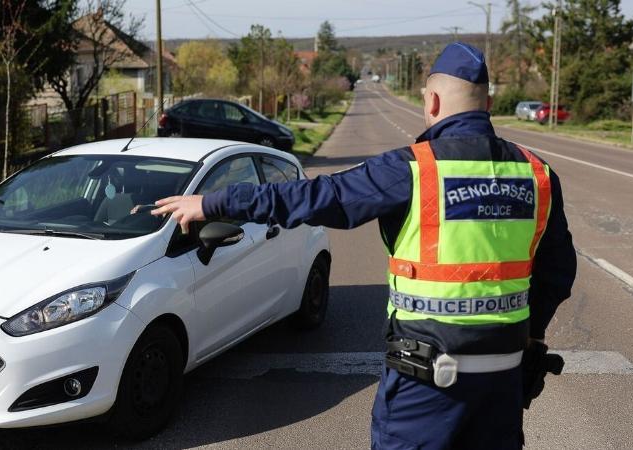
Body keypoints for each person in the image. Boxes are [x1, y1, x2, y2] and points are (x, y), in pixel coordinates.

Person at [151, 42, 576, 449]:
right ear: (487, 105)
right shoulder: (538, 175)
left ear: (431, 102)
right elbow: (558, 272)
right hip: (501, 384)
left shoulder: (413, 169)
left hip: (424, 386)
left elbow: (312, 197)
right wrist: (533, 336)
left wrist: (216, 201)